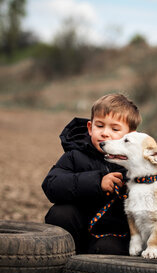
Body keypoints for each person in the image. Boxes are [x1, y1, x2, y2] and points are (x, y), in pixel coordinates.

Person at [42, 93, 142, 255]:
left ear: (131, 135)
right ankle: (59, 259)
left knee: (106, 249)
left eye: (115, 129)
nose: (105, 133)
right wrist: (97, 182)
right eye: (100, 126)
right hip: (79, 229)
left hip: (115, 235)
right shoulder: (75, 155)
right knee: (60, 213)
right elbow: (51, 184)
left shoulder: (138, 162)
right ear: (90, 128)